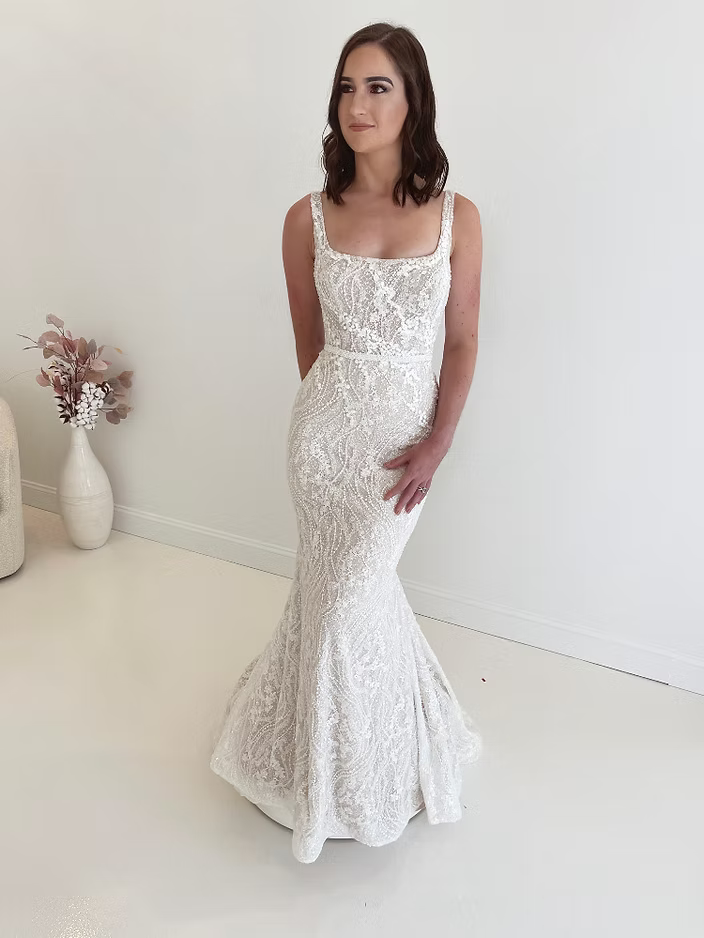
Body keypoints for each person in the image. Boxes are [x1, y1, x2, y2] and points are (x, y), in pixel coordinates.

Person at [210, 22, 483, 864]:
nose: (357, 105)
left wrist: (436, 442)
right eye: (346, 87)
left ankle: (371, 766)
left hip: (403, 448)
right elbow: (311, 345)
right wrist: (334, 418)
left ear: (413, 100)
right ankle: (315, 768)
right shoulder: (306, 218)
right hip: (324, 443)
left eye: (378, 87)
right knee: (333, 599)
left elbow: (462, 341)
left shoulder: (459, 217)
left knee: (348, 600)